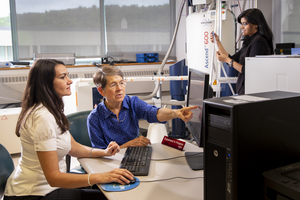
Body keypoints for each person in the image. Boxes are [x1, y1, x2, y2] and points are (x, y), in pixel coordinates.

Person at [4, 59, 133, 200]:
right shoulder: (42, 117)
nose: (70, 81)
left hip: (48, 188)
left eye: (67, 75)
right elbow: (54, 178)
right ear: (46, 83)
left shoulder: (52, 110)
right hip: (33, 194)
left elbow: (73, 147)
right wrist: (101, 177)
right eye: (62, 77)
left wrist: (104, 152)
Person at [87, 65, 197, 149]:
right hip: (111, 163)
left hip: (135, 154)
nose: (119, 88)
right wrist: (127, 145)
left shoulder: (132, 102)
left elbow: (154, 113)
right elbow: (100, 153)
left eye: (121, 83)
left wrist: (175, 113)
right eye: (113, 85)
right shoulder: (94, 118)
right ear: (101, 91)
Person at [210, 8, 274, 95]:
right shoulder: (250, 40)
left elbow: (249, 70)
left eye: (245, 24)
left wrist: (228, 61)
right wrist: (217, 41)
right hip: (244, 91)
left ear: (256, 24)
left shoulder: (259, 42)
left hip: (252, 92)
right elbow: (232, 58)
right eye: (241, 24)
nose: (241, 27)